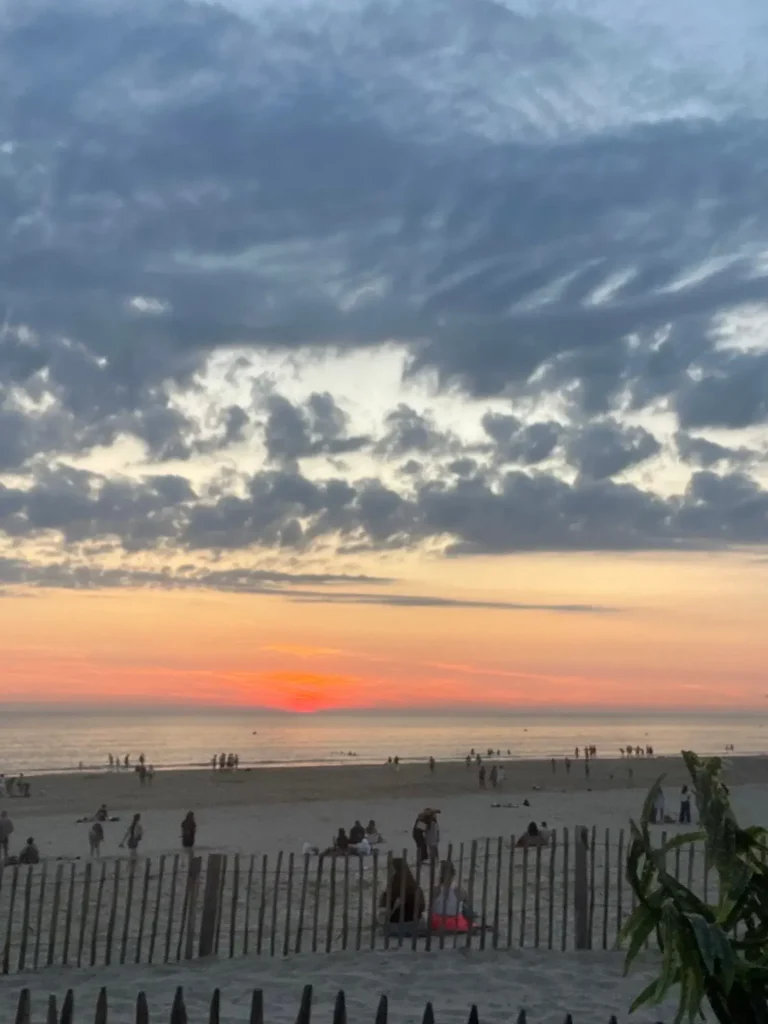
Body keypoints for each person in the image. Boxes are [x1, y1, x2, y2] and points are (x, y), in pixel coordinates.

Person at [430, 860, 474, 932]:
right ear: (453, 874)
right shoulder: (458, 889)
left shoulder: (436, 889)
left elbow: (431, 910)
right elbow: (468, 903)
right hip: (454, 922)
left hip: (438, 922)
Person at [380, 857, 425, 926]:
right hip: (417, 918)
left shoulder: (396, 881)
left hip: (404, 919)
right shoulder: (411, 880)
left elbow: (386, 901)